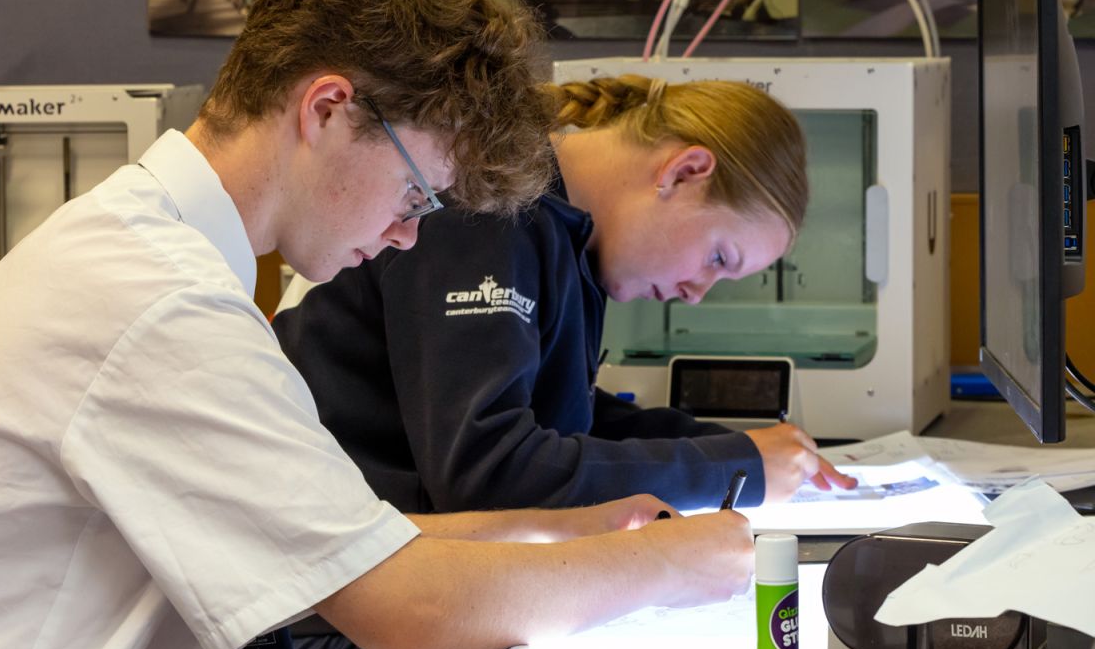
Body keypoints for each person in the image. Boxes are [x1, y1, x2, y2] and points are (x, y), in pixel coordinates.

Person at [0, 0, 755, 649]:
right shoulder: (162, 303)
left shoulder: (145, 251)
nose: (411, 234)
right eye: (417, 193)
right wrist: (678, 567)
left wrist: (577, 533)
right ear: (329, 110)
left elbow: (359, 541)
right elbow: (407, 609)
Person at [274, 73, 858, 519]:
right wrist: (736, 468)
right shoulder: (488, 207)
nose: (697, 294)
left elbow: (559, 421)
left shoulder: (564, 237)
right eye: (717, 259)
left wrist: (732, 446)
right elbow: (489, 471)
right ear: (684, 172)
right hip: (334, 608)